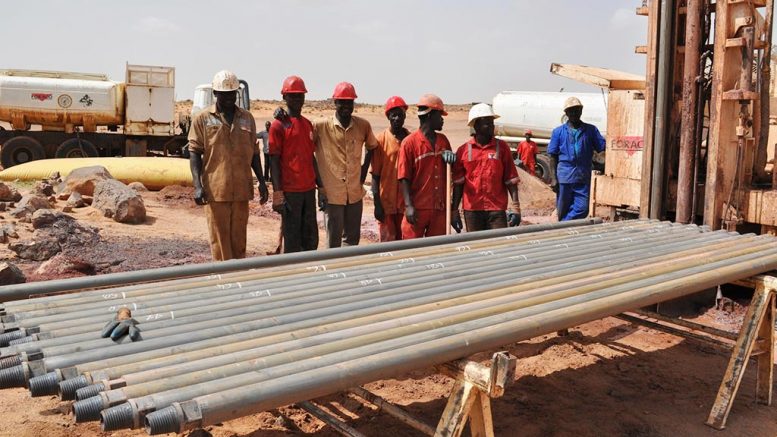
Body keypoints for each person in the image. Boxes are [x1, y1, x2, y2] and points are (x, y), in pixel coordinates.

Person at [188, 70, 269, 261]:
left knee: (239, 241)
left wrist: (262, 182)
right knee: (220, 242)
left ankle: (238, 274)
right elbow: (194, 152)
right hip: (216, 191)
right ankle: (223, 276)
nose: (229, 98)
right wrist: (198, 186)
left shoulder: (247, 118)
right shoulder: (202, 119)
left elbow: (254, 152)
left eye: (232, 94)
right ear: (216, 93)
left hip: (241, 190)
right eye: (224, 94)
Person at [313, 82, 379, 248]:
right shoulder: (320, 126)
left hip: (355, 194)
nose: (346, 106)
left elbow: (371, 147)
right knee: (333, 242)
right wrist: (319, 185)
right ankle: (334, 266)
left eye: (349, 102)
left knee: (352, 241)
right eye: (342, 102)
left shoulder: (363, 126)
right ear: (335, 102)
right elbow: (305, 149)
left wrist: (363, 172)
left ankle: (349, 266)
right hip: (332, 195)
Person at [269, 75, 321, 253]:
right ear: (284, 97)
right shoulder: (278, 126)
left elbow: (311, 157)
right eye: (293, 95)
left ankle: (309, 270)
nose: (297, 99)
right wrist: (278, 193)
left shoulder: (307, 124)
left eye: (300, 95)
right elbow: (274, 161)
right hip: (291, 193)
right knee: (292, 241)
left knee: (311, 239)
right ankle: (292, 270)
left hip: (309, 191)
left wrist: (321, 187)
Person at [451, 103, 521, 232]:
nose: (491, 126)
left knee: (498, 243)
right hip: (472, 211)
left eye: (492, 123)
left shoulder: (502, 148)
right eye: (487, 123)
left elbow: (511, 179)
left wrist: (516, 207)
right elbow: (458, 184)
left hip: (496, 209)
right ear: (476, 125)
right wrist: (454, 211)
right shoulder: (463, 150)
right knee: (476, 243)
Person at [397, 94, 456, 239]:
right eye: (440, 115)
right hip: (417, 208)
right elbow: (403, 177)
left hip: (439, 208)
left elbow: (452, 172)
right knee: (412, 249)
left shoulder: (443, 141)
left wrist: (452, 159)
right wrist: (408, 206)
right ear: (430, 115)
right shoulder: (409, 143)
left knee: (437, 249)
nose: (442, 119)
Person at [547, 96, 606, 221]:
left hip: (582, 176)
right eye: (571, 111)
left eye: (577, 110)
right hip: (564, 176)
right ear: (566, 113)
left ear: (581, 111)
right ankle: (565, 227)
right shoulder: (558, 132)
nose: (574, 113)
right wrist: (553, 178)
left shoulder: (591, 130)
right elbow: (552, 156)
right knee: (562, 209)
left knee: (583, 208)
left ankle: (563, 225)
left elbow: (602, 147)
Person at [371, 96, 410, 242]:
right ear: (388, 117)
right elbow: (375, 175)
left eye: (400, 114)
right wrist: (377, 205)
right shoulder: (380, 140)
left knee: (406, 243)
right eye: (393, 115)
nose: (397, 118)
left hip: (406, 203)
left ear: (405, 115)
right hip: (386, 203)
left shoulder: (411, 140)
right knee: (387, 245)